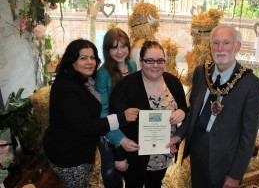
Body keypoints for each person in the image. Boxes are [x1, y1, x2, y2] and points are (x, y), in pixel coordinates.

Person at [167, 26, 259, 188]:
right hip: (197, 149)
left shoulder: (251, 84)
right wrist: (178, 135)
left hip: (225, 158)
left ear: (237, 46)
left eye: (226, 43)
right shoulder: (201, 73)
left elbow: (249, 135)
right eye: (216, 43)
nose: (220, 48)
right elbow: (193, 112)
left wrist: (235, 174)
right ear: (210, 46)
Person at [43, 38, 139, 188]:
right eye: (83, 58)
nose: (89, 62)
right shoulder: (68, 88)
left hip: (76, 150)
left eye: (92, 57)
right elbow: (86, 125)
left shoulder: (83, 79)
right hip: (69, 155)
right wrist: (121, 118)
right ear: (72, 60)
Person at [109, 40, 188, 188]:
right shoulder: (126, 86)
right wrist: (119, 156)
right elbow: (113, 122)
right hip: (134, 155)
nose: (155, 65)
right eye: (149, 61)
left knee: (155, 184)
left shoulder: (173, 82)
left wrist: (182, 111)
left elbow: (185, 107)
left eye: (160, 60)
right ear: (140, 61)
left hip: (163, 152)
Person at [95, 28, 139, 188]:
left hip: (129, 127)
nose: (120, 51)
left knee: (131, 173)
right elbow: (103, 113)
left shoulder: (132, 64)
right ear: (107, 50)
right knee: (112, 173)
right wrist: (119, 141)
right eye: (114, 47)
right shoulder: (103, 74)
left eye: (123, 46)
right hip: (110, 133)